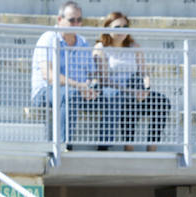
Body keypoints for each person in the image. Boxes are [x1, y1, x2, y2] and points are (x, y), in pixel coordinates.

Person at [31, 1, 107, 147]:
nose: (76, 24)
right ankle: (64, 146)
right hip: (45, 92)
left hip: (79, 92)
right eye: (72, 20)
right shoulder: (49, 38)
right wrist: (79, 86)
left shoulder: (83, 43)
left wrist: (92, 88)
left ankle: (105, 146)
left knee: (111, 96)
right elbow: (50, 76)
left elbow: (92, 75)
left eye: (79, 20)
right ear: (60, 20)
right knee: (70, 94)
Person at [93, 12, 170, 151]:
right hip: (115, 91)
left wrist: (146, 89)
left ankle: (152, 146)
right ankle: (129, 146)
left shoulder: (135, 47)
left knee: (162, 102)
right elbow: (104, 80)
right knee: (128, 100)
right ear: (107, 28)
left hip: (135, 88)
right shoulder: (101, 47)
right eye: (117, 27)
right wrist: (131, 91)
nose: (122, 30)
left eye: (125, 26)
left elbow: (144, 73)